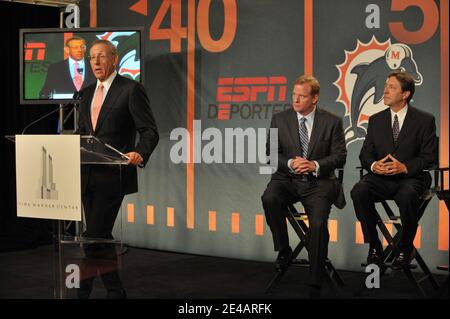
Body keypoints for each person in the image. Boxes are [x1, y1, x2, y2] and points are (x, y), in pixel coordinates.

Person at [76, 39, 159, 298]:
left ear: (114, 59)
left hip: (114, 175)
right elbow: (82, 133)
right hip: (85, 176)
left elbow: (150, 131)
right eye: (92, 58)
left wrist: (139, 152)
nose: (96, 62)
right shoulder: (85, 93)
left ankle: (81, 293)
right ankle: (116, 291)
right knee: (99, 238)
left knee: (93, 237)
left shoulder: (131, 89)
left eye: (101, 56)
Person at [261, 75, 347, 298]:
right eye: (294, 95)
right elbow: (269, 154)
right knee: (269, 198)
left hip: (319, 183)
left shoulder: (332, 121)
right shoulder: (279, 119)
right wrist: (290, 163)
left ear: (315, 98)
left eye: (302, 95)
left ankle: (315, 278)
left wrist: (314, 165)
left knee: (318, 223)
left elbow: (340, 156)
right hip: (287, 180)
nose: (296, 99)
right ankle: (284, 249)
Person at [351, 70, 437, 270]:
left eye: (391, 87)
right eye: (385, 86)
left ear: (405, 94)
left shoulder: (425, 120)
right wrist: (374, 165)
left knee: (407, 195)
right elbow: (365, 155)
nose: (385, 90)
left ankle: (405, 247)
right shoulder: (376, 120)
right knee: (359, 191)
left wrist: (405, 166)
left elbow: (429, 157)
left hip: (411, 178)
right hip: (381, 178)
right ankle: (374, 244)